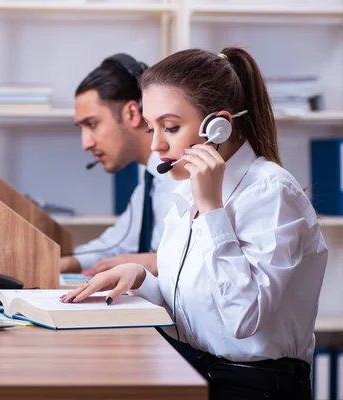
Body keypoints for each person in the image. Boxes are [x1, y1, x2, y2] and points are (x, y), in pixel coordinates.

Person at [62, 47, 328, 399]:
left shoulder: (271, 192)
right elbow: (196, 313)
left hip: (255, 386)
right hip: (199, 371)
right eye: (151, 127)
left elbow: (242, 320)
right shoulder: (188, 191)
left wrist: (211, 210)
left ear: (217, 126)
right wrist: (142, 279)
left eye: (170, 127)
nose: (156, 144)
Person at [61, 53, 179, 276]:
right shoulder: (150, 181)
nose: (85, 144)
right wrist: (65, 263)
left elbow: (200, 257)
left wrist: (157, 261)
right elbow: (116, 244)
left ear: (133, 113)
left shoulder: (181, 176)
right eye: (82, 129)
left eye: (92, 124)